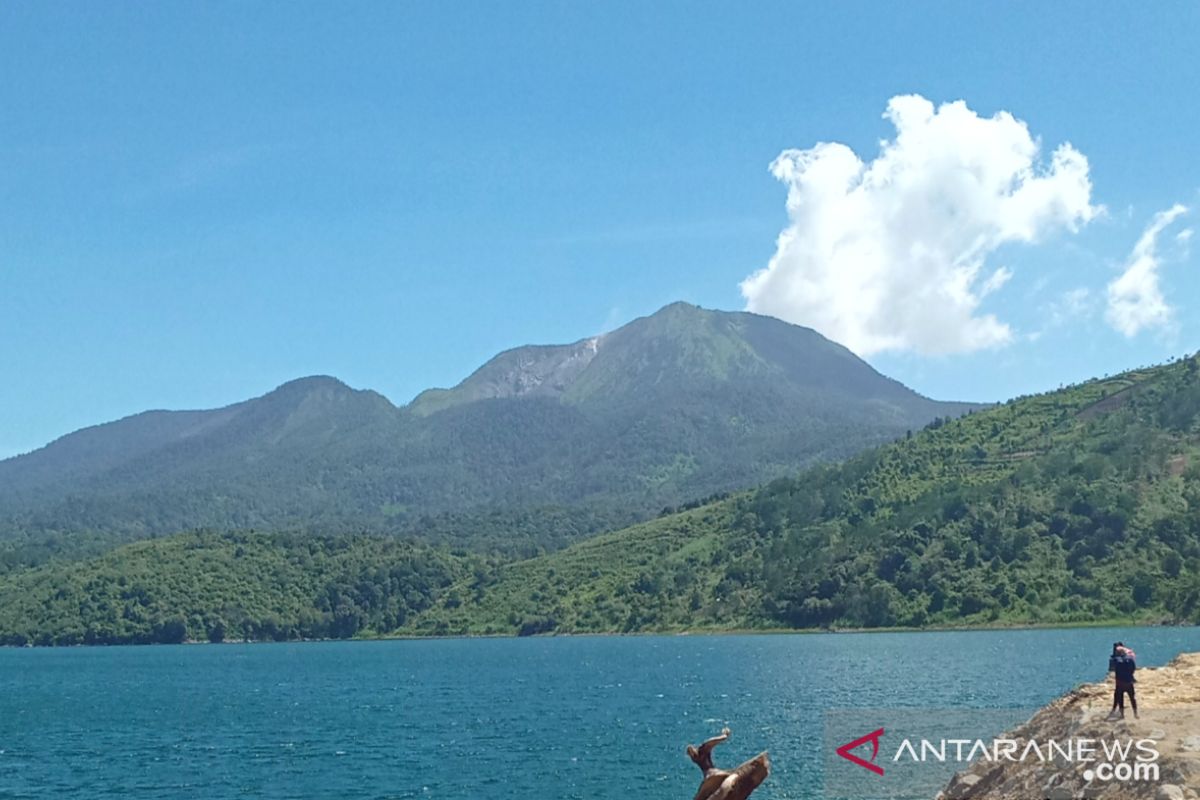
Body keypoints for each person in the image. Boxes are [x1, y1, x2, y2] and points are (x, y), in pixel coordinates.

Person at [1108, 642, 1138, 719]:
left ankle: (1121, 714)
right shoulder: (1130, 659)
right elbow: (1133, 669)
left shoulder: (1115, 660)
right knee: (1132, 698)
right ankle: (1135, 714)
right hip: (1129, 682)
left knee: (1120, 698)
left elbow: (1111, 669)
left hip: (1120, 683)